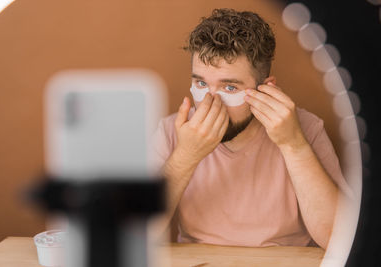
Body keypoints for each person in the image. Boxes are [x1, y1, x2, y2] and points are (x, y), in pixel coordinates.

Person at [150, 8, 352, 249]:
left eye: (230, 88)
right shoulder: (172, 131)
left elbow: (340, 239)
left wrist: (294, 145)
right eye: (201, 83)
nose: (210, 103)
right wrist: (185, 156)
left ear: (265, 88)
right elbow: (137, 234)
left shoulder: (305, 128)